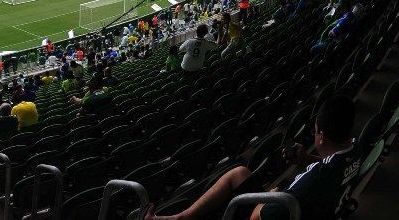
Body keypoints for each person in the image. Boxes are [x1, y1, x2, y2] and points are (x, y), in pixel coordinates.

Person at [146, 94, 358, 220]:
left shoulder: (313, 180)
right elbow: (331, 166)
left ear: (321, 137)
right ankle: (183, 217)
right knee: (240, 173)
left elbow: (255, 218)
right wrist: (306, 160)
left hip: (282, 207)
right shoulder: (354, 150)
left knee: (236, 179)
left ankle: (181, 218)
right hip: (315, 207)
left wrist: (272, 195)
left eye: (315, 131)